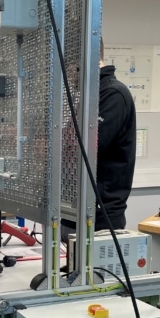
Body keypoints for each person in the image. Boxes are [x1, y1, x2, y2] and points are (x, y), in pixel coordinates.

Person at [62, 38, 136, 236]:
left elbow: (83, 151)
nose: (67, 75)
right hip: (74, 212)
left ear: (80, 59)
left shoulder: (113, 95)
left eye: (66, 63)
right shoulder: (89, 97)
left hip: (100, 219)